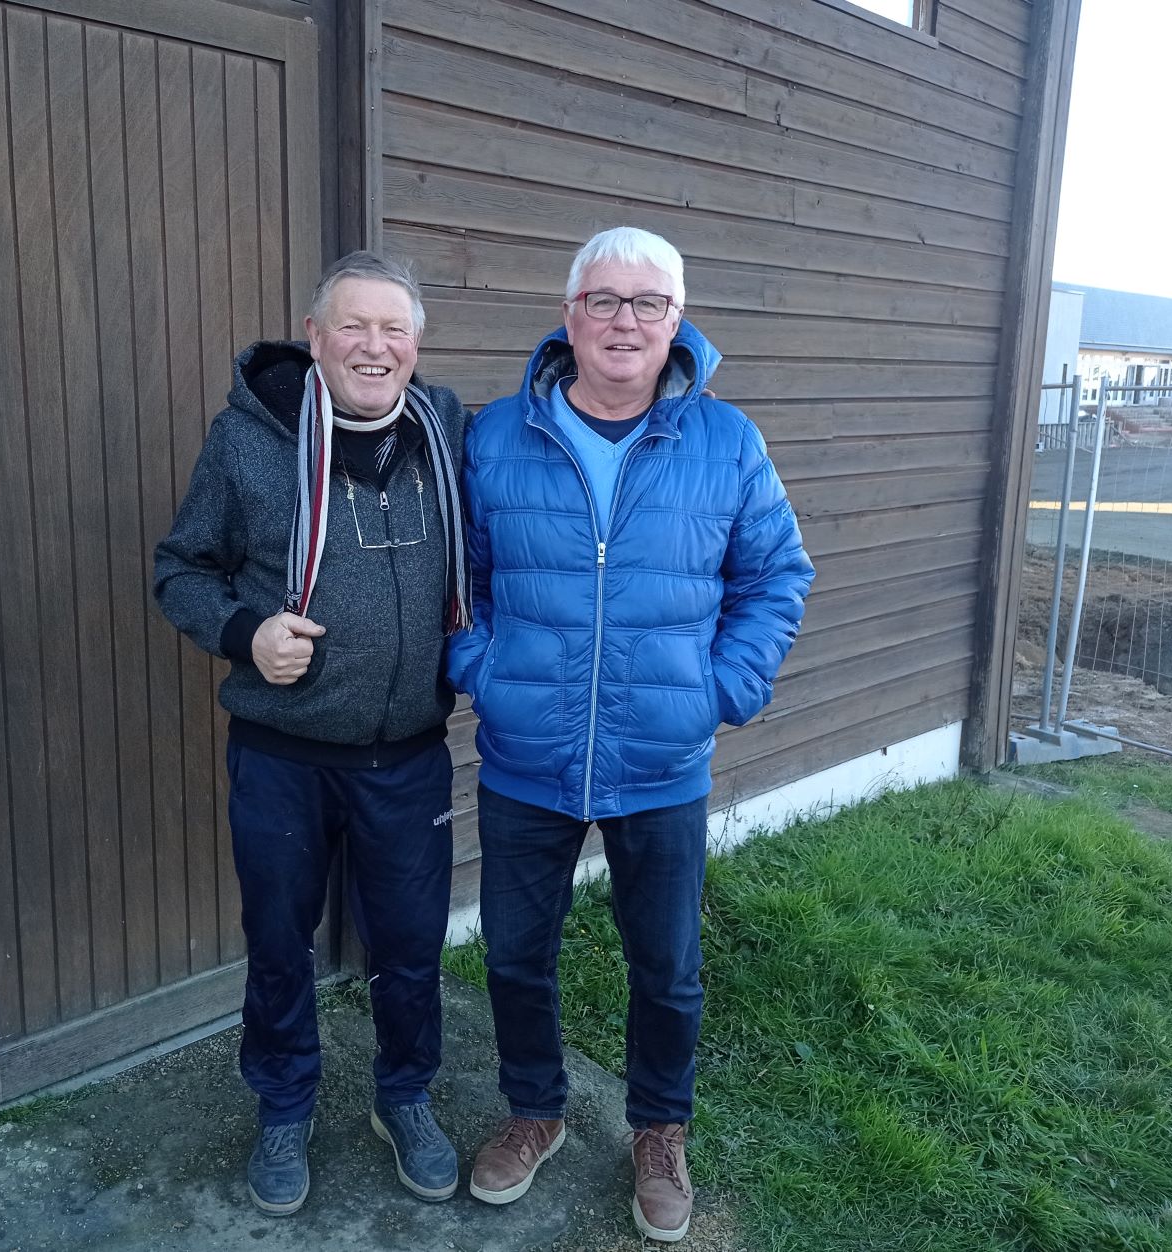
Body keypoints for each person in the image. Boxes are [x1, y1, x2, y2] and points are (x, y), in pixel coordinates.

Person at [448, 227, 813, 1243]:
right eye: (603, 300)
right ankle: (535, 1110)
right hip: (528, 753)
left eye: (647, 303)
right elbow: (457, 584)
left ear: (676, 321)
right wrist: (485, 673)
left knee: (667, 964)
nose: (624, 321)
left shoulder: (726, 442)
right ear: (568, 317)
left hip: (662, 757)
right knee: (518, 953)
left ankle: (659, 1128)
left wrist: (722, 689)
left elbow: (778, 575)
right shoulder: (495, 438)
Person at [153, 252, 470, 1214]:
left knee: (412, 947)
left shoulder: (447, 433)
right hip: (283, 755)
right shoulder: (248, 442)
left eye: (395, 329)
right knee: (280, 944)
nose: (376, 346)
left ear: (415, 344)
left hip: (408, 756)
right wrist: (246, 634)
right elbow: (180, 570)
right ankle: (284, 1106)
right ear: (316, 335)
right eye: (355, 327)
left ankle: (403, 1096)